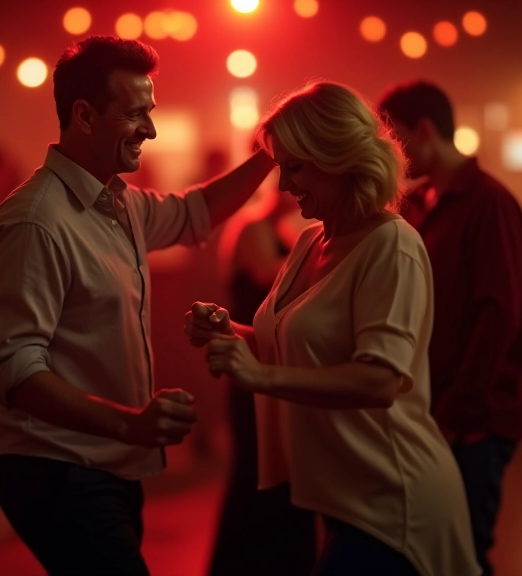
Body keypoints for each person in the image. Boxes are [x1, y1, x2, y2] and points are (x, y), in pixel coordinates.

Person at [0, 36, 276, 575]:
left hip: (105, 463)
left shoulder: (118, 202)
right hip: (57, 467)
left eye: (150, 112)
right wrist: (130, 424)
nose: (151, 129)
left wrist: (272, 153)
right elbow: (13, 372)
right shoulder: (36, 222)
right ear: (84, 116)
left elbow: (194, 212)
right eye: (135, 114)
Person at [185, 81, 479, 576]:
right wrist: (228, 332)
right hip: (343, 497)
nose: (282, 186)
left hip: (393, 499)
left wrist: (261, 378)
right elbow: (288, 346)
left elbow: (379, 379)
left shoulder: (392, 245)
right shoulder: (309, 240)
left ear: (341, 158)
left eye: (295, 168)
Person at [378, 80, 522, 576]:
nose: (392, 154)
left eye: (395, 138)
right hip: (438, 418)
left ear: (424, 131)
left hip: (471, 425)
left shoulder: (489, 203)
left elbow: (497, 318)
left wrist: (453, 416)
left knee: (463, 555)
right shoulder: (423, 205)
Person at [209, 184, 315, 576]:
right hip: (248, 363)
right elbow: (273, 278)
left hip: (265, 364)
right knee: (255, 474)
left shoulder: (284, 233)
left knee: (275, 471)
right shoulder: (252, 227)